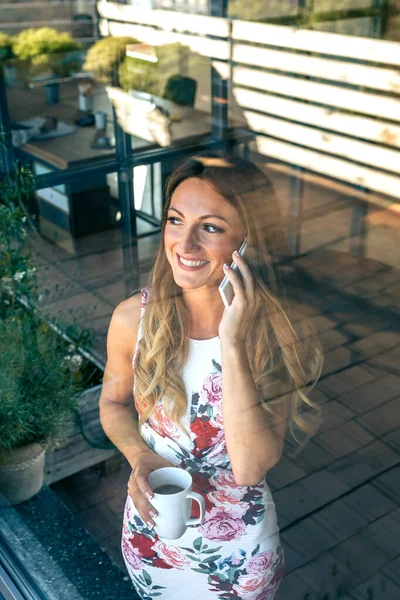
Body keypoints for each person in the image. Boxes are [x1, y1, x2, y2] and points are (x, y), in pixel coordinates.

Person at [99, 152, 323, 599]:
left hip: (240, 558)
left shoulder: (277, 334)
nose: (185, 244)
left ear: (248, 242)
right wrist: (139, 456)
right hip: (152, 542)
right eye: (176, 220)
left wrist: (233, 340)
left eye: (212, 227)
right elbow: (112, 404)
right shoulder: (132, 319)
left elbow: (249, 467)